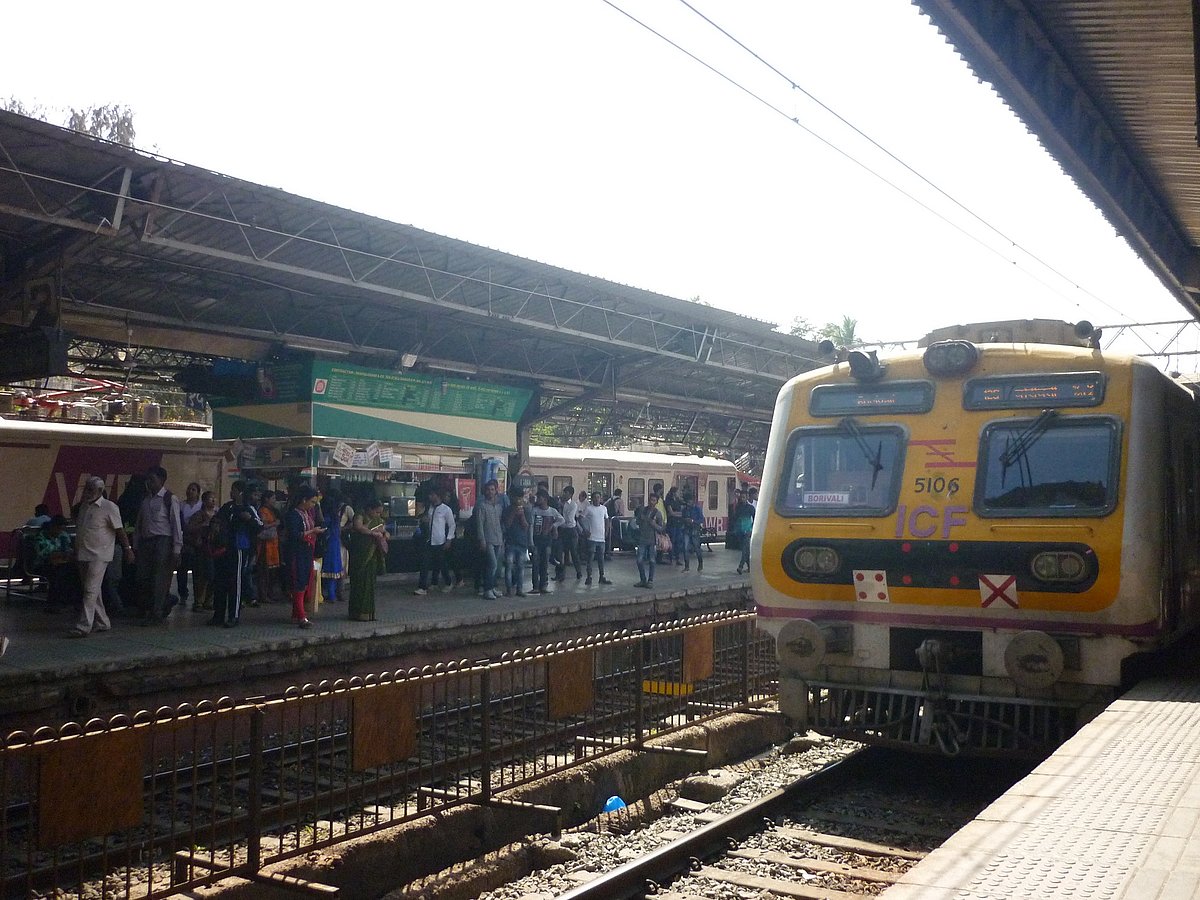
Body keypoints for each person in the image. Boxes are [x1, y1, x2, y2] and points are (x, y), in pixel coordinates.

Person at [70, 476, 133, 637]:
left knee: (90, 590)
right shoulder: (85, 506)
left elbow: (119, 530)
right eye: (87, 489)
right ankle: (103, 622)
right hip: (83, 553)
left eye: (91, 489)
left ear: (100, 491)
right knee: (92, 590)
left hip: (100, 555)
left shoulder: (109, 507)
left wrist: (127, 549)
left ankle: (83, 626)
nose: (87, 492)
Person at [133, 465, 183, 624]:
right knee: (143, 577)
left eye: (153, 480)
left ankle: (156, 612)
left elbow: (176, 524)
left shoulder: (169, 498)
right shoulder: (146, 499)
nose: (150, 483)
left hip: (163, 540)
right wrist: (136, 543)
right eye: (148, 480)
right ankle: (161, 603)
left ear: (161, 480)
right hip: (146, 541)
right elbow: (139, 523)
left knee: (159, 578)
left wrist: (176, 549)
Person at [282, 485, 323, 628]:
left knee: (305, 581)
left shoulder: (308, 513)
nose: (313, 505)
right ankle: (301, 616)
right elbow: (294, 535)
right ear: (304, 499)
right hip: (296, 551)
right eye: (312, 501)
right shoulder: (293, 514)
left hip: (307, 551)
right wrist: (312, 531)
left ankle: (296, 613)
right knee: (298, 581)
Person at [347, 498, 389, 621]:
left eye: (380, 513)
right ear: (370, 509)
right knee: (359, 583)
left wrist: (385, 534)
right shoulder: (360, 515)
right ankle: (356, 612)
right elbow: (359, 527)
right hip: (361, 554)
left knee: (369, 584)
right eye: (376, 512)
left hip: (372, 555)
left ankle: (368, 612)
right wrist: (373, 533)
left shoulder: (378, 520)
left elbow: (384, 529)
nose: (378, 515)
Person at [32, 515, 76, 612]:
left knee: (73, 571)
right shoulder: (41, 537)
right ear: (52, 526)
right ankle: (53, 604)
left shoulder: (63, 535)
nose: (61, 531)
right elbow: (43, 554)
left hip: (61, 563)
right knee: (57, 573)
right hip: (43, 564)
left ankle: (70, 601)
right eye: (59, 528)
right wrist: (60, 555)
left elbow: (68, 551)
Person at [415, 490, 454, 595]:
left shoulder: (446, 509)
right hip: (429, 540)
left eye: (432, 495)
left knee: (442, 564)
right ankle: (422, 587)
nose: (430, 497)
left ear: (437, 496)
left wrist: (449, 539)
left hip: (439, 540)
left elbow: (451, 525)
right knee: (425, 564)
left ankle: (448, 582)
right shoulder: (429, 508)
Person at [184, 490, 217, 611]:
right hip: (202, 548)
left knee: (212, 575)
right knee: (201, 575)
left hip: (214, 548)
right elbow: (189, 528)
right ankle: (199, 601)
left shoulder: (217, 514)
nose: (213, 501)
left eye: (214, 498)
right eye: (210, 498)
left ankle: (209, 600)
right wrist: (203, 525)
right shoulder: (199, 515)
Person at [475, 479, 506, 601]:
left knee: (496, 565)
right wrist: (481, 539)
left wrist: (503, 538)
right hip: (488, 539)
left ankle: (492, 586)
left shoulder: (499, 506)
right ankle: (487, 589)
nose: (490, 492)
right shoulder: (482, 506)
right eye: (488, 490)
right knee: (492, 564)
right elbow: (480, 524)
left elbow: (500, 523)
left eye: (492, 489)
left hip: (498, 538)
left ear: (496, 491)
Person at [320, 490, 352, 604]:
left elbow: (323, 529)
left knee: (329, 570)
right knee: (335, 570)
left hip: (329, 545)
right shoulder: (336, 518)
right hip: (336, 544)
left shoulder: (327, 518)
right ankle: (334, 594)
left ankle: (331, 594)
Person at [528, 491, 564, 594]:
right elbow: (531, 527)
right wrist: (531, 542)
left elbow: (562, 520)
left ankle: (543, 584)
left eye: (539, 497)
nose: (537, 499)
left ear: (545, 499)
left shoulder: (552, 511)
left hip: (547, 540)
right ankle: (536, 586)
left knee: (544, 563)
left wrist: (554, 526)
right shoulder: (534, 511)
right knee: (535, 564)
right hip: (536, 540)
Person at [176, 482, 203, 607]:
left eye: (193, 489)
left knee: (198, 569)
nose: (190, 491)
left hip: (197, 541)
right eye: (189, 489)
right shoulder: (181, 505)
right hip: (184, 541)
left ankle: (198, 595)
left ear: (198, 493)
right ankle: (183, 593)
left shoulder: (201, 506)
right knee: (182, 568)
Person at [580, 491, 612, 585]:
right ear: (592, 498)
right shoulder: (589, 509)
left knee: (601, 559)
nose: (597, 499)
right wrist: (585, 530)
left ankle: (601, 576)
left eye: (598, 497)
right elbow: (580, 518)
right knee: (590, 558)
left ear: (601, 498)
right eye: (595, 497)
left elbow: (607, 519)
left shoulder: (604, 508)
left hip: (601, 538)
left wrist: (606, 531)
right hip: (592, 537)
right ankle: (589, 577)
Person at [502, 491, 531, 596]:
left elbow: (526, 526)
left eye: (520, 498)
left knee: (520, 567)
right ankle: (509, 589)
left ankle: (520, 589)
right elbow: (507, 525)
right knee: (509, 566)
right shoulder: (507, 510)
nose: (518, 500)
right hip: (510, 542)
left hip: (522, 542)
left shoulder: (526, 510)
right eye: (516, 497)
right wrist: (514, 513)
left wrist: (522, 515)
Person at [256, 490, 283, 603]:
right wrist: (274, 523)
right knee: (264, 573)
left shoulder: (272, 511)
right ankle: (263, 595)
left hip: (273, 545)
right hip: (265, 546)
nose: (274, 501)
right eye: (273, 498)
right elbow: (262, 526)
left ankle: (269, 593)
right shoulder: (263, 511)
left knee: (271, 573)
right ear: (266, 499)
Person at [633, 499, 665, 588]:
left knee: (652, 560)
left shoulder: (657, 513)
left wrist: (654, 524)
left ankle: (650, 580)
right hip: (642, 539)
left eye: (654, 500)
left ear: (656, 502)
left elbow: (661, 528)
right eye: (651, 500)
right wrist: (641, 520)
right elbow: (637, 522)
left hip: (652, 540)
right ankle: (643, 579)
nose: (652, 502)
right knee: (639, 560)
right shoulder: (643, 511)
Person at [555, 485, 582, 582]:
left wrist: (561, 514)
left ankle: (578, 571)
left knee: (573, 552)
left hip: (571, 530)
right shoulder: (559, 503)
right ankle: (560, 574)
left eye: (565, 493)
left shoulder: (573, 505)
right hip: (562, 530)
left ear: (570, 494)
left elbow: (569, 519)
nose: (563, 495)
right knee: (559, 553)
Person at [733, 490, 756, 574]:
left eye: (744, 497)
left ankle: (740, 566)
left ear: (747, 498)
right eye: (741, 497)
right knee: (746, 550)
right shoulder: (738, 507)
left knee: (744, 550)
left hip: (747, 531)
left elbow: (755, 519)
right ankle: (750, 567)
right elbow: (735, 519)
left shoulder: (751, 508)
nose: (742, 499)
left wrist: (752, 529)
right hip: (739, 531)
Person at [685, 490, 705, 572]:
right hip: (686, 530)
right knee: (685, 548)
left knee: (697, 548)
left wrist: (693, 521)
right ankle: (687, 566)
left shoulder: (697, 508)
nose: (688, 504)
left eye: (689, 502)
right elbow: (683, 517)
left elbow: (702, 519)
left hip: (695, 530)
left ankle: (700, 563)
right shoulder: (685, 509)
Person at [664, 487, 684, 565]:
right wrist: (681, 514)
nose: (679, 494)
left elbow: (674, 513)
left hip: (678, 523)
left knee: (678, 541)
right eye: (678, 492)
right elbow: (671, 513)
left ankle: (677, 558)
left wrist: (677, 514)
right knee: (672, 540)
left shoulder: (678, 501)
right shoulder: (669, 501)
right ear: (674, 492)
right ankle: (671, 558)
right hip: (671, 523)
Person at [604, 488, 624, 559]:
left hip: (609, 520)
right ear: (620, 494)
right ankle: (621, 549)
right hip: (616, 520)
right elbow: (621, 513)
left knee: (610, 536)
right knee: (618, 535)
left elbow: (604, 506)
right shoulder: (620, 501)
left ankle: (609, 550)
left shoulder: (610, 500)